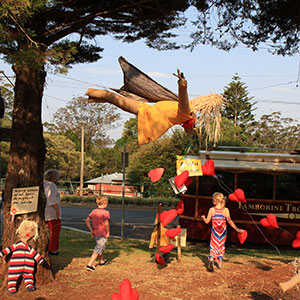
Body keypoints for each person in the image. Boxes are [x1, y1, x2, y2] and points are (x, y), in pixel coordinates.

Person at [85, 68, 225, 146]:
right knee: (112, 99)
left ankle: (89, 93)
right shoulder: (189, 113)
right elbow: (188, 128)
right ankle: (91, 97)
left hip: (147, 113)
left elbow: (184, 98)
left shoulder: (188, 111)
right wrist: (182, 84)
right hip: (146, 110)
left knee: (112, 97)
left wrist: (183, 85)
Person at [201, 192, 243, 271]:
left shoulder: (212, 210)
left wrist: (203, 218)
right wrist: (237, 229)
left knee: (213, 245)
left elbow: (207, 221)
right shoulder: (225, 210)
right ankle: (219, 262)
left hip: (215, 232)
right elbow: (230, 221)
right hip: (222, 233)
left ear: (215, 201)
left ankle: (211, 258)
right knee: (221, 246)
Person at [85, 195, 110, 271]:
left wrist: (91, 230)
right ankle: (90, 264)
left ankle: (101, 261)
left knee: (100, 246)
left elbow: (87, 220)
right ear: (105, 203)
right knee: (98, 248)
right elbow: (106, 224)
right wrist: (108, 232)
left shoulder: (94, 211)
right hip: (102, 233)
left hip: (96, 232)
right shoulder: (106, 213)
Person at [43, 169, 61, 255]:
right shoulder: (52, 185)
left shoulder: (42, 183)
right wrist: (57, 210)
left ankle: (47, 246)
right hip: (52, 212)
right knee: (55, 231)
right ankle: (53, 248)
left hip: (44, 211)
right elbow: (52, 200)